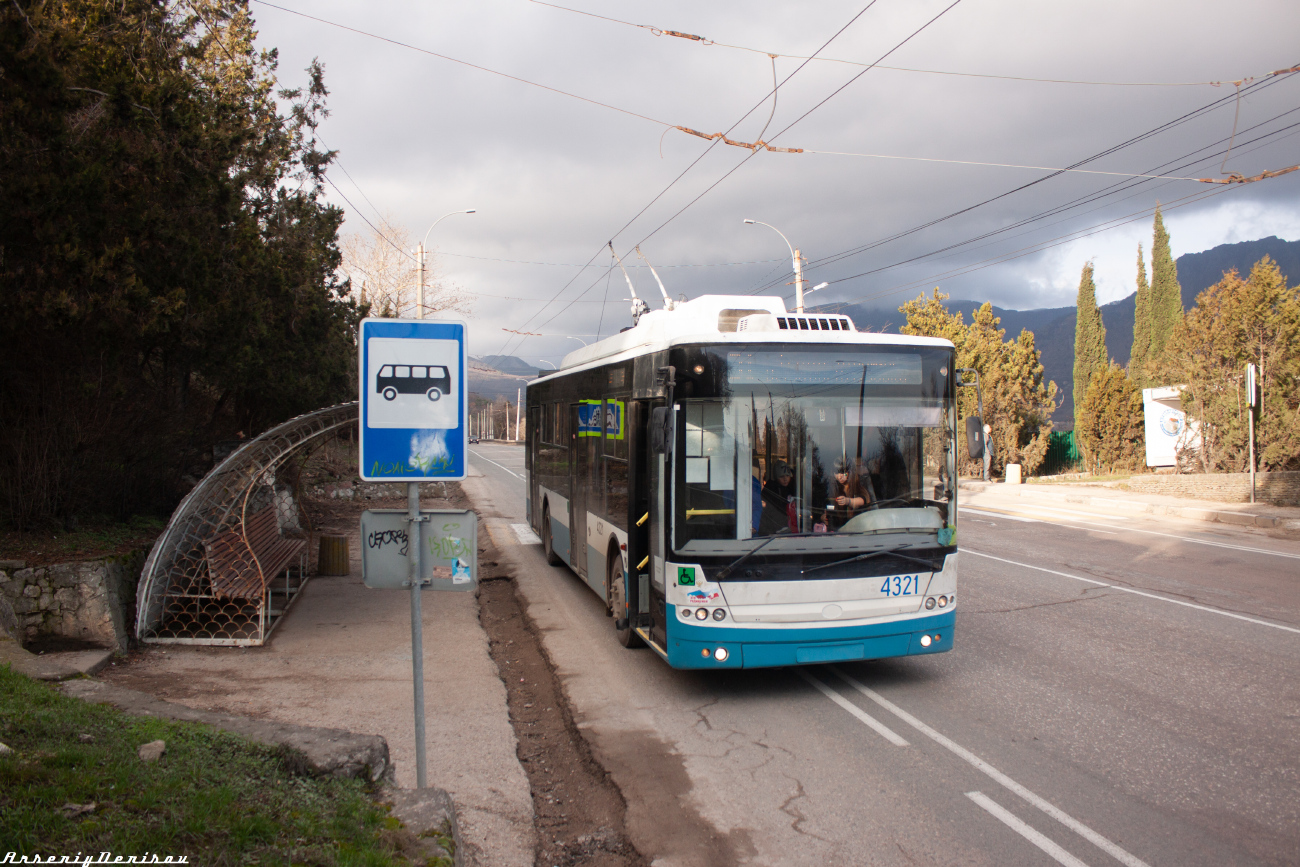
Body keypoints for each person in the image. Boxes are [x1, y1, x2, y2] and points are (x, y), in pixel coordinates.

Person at [822, 457, 869, 530]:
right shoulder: (833, 489)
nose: (840, 476)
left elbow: (864, 499)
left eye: (843, 472)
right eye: (837, 473)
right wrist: (823, 517)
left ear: (849, 472)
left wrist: (848, 501)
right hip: (840, 532)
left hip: (858, 529)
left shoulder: (857, 484)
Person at [760, 461, 797, 535]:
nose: (785, 479)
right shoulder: (770, 491)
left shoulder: (793, 489)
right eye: (781, 477)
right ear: (776, 477)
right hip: (775, 530)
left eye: (787, 476)